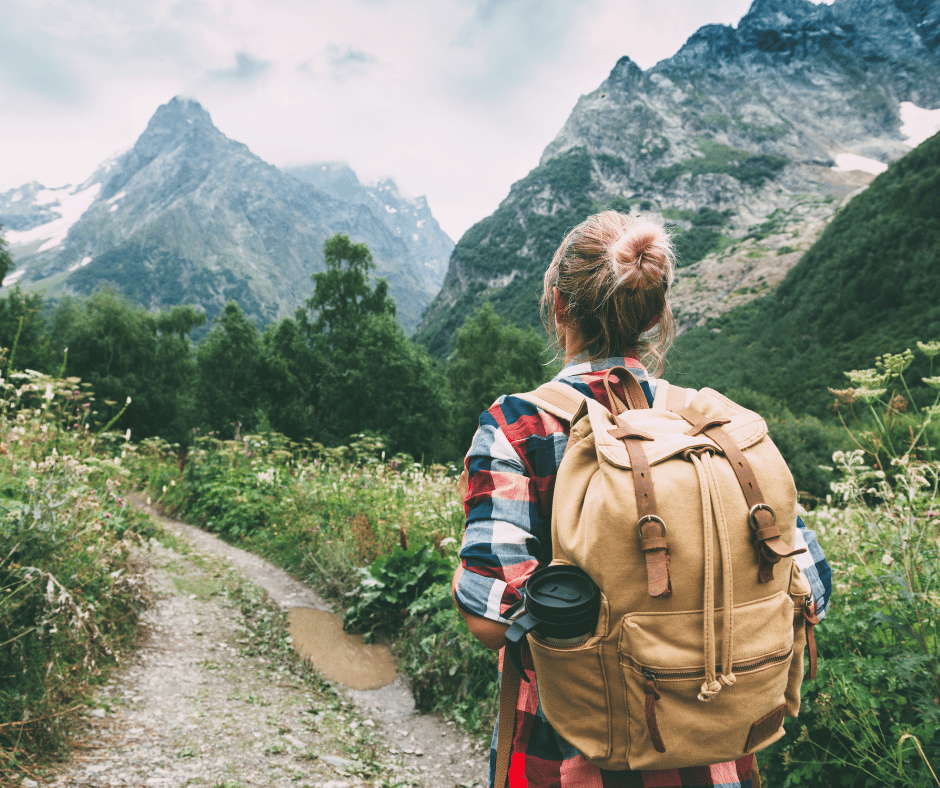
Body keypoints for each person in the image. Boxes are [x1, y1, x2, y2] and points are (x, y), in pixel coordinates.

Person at [452, 210, 832, 788]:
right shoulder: (711, 427)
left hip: (569, 756)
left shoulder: (520, 427)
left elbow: (486, 614)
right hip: (718, 755)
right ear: (656, 315)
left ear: (558, 305)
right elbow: (812, 589)